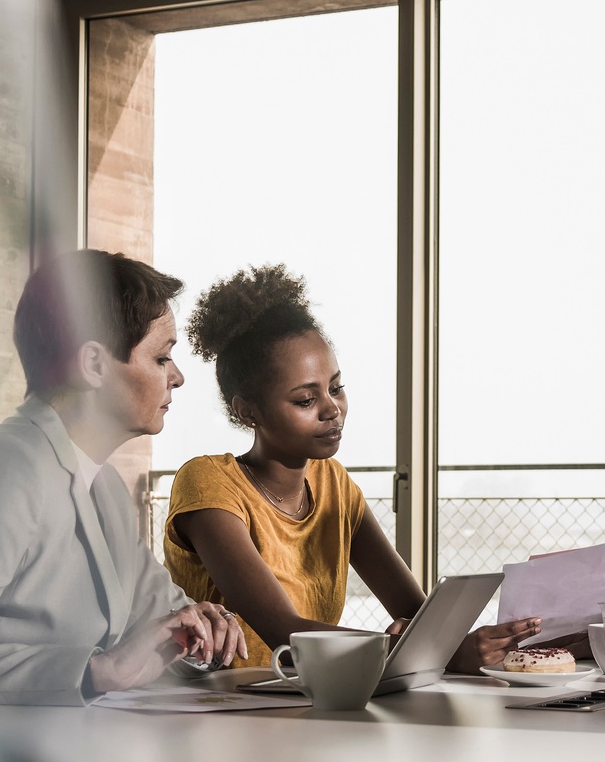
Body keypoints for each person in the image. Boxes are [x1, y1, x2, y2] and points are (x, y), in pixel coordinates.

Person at [0, 251, 243, 709]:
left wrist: (201, 630)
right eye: (161, 357)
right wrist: (96, 671)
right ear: (94, 365)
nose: (177, 377)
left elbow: (161, 625)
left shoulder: (107, 488)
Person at [164, 266, 539, 671]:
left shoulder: (333, 484)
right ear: (248, 411)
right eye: (306, 400)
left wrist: (461, 642)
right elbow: (282, 631)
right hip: (223, 709)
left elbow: (418, 614)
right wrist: (437, 651)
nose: (332, 409)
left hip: (310, 700)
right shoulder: (208, 484)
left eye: (336, 388)